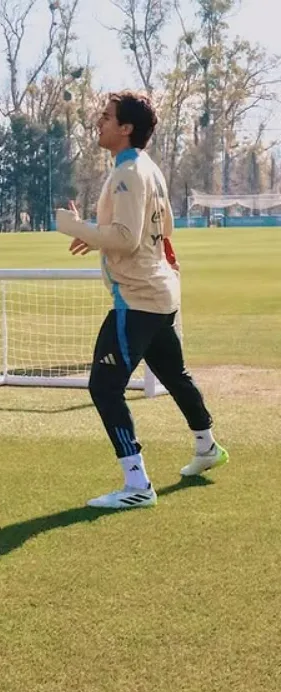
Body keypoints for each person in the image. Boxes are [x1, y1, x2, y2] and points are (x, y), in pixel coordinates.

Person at [55, 92, 228, 510]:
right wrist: (95, 232)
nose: (99, 122)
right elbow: (163, 226)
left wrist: (74, 226)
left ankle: (137, 484)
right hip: (161, 292)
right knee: (173, 372)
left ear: (126, 128)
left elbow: (126, 239)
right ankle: (206, 446)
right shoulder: (147, 168)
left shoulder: (128, 172)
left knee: (103, 386)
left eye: (106, 117)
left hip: (137, 299)